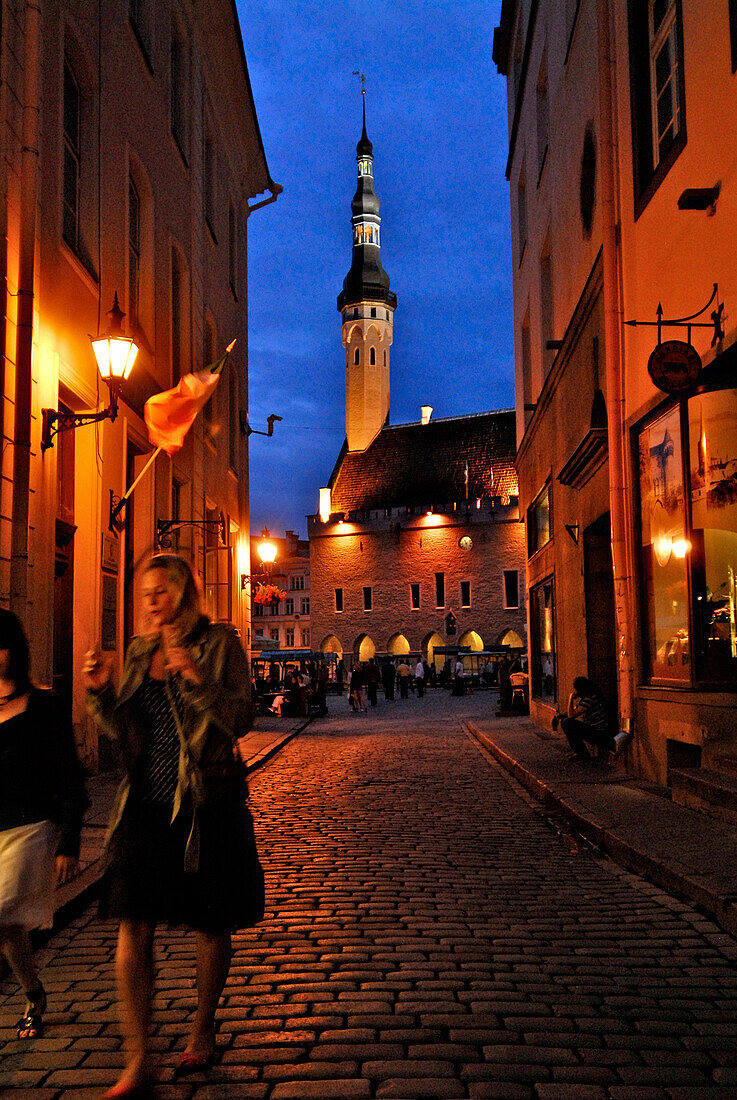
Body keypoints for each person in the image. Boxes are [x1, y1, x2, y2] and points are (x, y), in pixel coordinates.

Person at [84, 554, 264, 1098]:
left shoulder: (220, 643)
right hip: (145, 805)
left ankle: (202, 1027)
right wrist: (98, 692)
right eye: (145, 592)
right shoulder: (138, 653)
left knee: (210, 922)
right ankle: (139, 1057)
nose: (152, 600)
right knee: (132, 921)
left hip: (206, 802)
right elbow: (125, 730)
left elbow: (242, 718)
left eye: (162, 590)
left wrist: (196, 676)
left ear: (184, 593)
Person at [0, 610, 86, 1042]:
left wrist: (69, 839)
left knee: (1, 911)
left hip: (30, 827)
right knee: (9, 927)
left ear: (15, 651)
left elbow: (70, 775)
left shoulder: (44, 707)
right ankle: (33, 993)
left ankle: (33, 994)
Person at [553, 675, 614, 760]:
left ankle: (581, 753)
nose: (574, 691)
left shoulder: (589, 699)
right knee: (565, 721)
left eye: (575, 689)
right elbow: (575, 710)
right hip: (595, 729)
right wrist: (560, 716)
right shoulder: (589, 698)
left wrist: (570, 698)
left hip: (598, 732)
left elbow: (571, 715)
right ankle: (580, 752)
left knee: (567, 723)